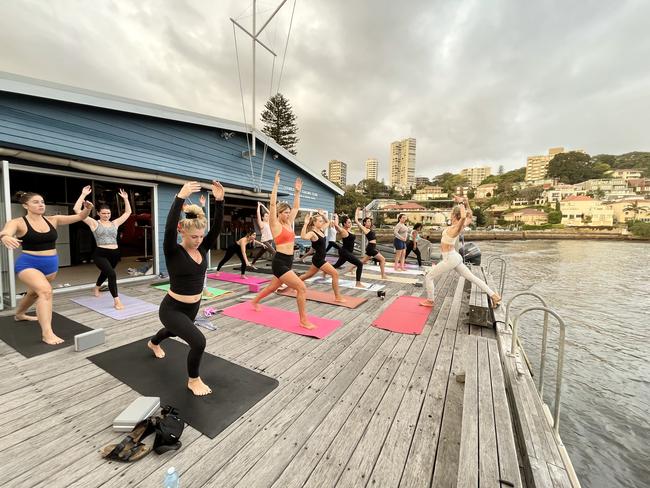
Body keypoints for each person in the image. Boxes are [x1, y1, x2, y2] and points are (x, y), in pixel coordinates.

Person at [147, 180, 224, 396]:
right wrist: (179, 197)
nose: (199, 241)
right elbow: (169, 227)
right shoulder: (173, 250)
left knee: (171, 332)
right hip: (172, 308)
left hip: (192, 308)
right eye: (194, 237)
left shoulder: (203, 247)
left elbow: (216, 229)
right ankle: (193, 380)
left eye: (201, 236)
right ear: (183, 232)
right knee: (198, 342)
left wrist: (219, 201)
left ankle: (153, 343)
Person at [0, 191, 93, 344]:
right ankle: (47, 333)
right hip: (28, 264)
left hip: (50, 265)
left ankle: (20, 314)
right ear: (25, 205)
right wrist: (6, 237)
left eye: (42, 201)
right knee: (45, 291)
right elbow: (5, 232)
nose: (41, 204)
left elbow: (80, 217)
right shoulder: (18, 222)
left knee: (33, 293)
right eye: (36, 202)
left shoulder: (53, 219)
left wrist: (87, 209)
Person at [251, 170, 316, 329]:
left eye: (288, 213)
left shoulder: (288, 222)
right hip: (279, 261)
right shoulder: (275, 224)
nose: (288, 214)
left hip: (289, 261)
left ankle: (255, 300)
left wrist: (297, 192)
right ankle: (303, 320)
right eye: (285, 212)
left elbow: (296, 206)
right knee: (301, 287)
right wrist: (275, 185)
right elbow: (272, 204)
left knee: (272, 287)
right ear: (279, 214)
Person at [420, 201, 501, 308]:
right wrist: (467, 203)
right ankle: (494, 295)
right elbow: (470, 217)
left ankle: (430, 301)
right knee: (472, 277)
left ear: (453, 215)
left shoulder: (456, 228)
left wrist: (462, 206)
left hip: (449, 258)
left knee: (429, 276)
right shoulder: (456, 226)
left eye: (451, 213)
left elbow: (464, 217)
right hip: (454, 257)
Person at [73, 185, 132, 309]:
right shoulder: (94, 223)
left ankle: (96, 287)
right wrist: (83, 194)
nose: (106, 215)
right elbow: (77, 209)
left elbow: (128, 213)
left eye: (108, 213)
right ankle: (117, 300)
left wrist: (126, 199)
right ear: (99, 213)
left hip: (115, 254)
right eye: (104, 213)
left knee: (106, 272)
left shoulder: (115, 223)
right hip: (100, 253)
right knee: (111, 274)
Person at [296, 211, 346, 302]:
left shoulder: (321, 230)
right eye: (319, 221)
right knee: (335, 274)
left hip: (319, 259)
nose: (322, 222)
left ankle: (290, 284)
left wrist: (322, 215)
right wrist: (305, 224)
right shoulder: (312, 233)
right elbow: (303, 237)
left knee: (307, 275)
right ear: (314, 223)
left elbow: (328, 222)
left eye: (321, 221)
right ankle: (337, 297)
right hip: (319, 260)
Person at [331, 214, 364, 288]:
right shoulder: (343, 231)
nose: (350, 224)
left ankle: (325, 271)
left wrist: (356, 212)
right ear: (344, 224)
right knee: (360, 264)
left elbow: (354, 222)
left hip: (346, 252)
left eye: (350, 222)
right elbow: (336, 225)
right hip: (345, 252)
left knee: (336, 265)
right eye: (348, 222)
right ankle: (358, 283)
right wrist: (336, 217)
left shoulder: (349, 230)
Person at [354, 207, 387, 279]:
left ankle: (350, 269)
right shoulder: (364, 228)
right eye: (368, 221)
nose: (369, 222)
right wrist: (357, 211)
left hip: (372, 247)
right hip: (371, 247)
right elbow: (356, 220)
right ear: (364, 223)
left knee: (362, 261)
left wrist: (366, 212)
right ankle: (383, 275)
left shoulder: (369, 229)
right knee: (382, 259)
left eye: (370, 221)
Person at [250, 202, 276, 266]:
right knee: (274, 252)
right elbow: (258, 214)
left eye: (267, 216)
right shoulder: (261, 223)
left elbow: (270, 213)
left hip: (270, 240)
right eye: (266, 216)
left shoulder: (269, 223)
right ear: (263, 217)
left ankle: (252, 263)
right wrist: (259, 206)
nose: (267, 217)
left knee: (260, 253)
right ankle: (275, 265)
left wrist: (263, 206)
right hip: (265, 241)